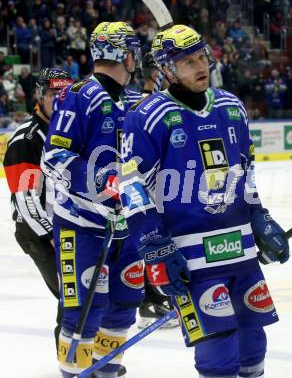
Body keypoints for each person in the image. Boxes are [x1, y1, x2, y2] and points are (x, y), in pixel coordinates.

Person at [120, 24, 289, 378]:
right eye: (188, 62)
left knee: (252, 345)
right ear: (167, 70)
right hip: (189, 256)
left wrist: (261, 219)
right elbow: (130, 187)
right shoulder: (146, 117)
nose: (201, 67)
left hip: (239, 248)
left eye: (202, 57)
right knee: (218, 354)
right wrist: (154, 246)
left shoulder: (231, 107)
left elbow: (245, 174)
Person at [41, 21, 143, 378]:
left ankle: (107, 372)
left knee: (123, 308)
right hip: (82, 225)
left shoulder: (130, 100)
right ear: (126, 55)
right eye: (135, 52)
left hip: (124, 226)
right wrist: (99, 178)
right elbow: (53, 157)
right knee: (84, 312)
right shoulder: (80, 94)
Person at [3, 68, 73, 350]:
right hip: (38, 232)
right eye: (54, 93)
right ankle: (71, 355)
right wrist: (50, 237)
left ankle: (79, 351)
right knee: (72, 294)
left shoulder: (69, 129)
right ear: (40, 96)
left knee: (80, 291)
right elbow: (26, 199)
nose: (60, 99)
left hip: (68, 224)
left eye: (65, 93)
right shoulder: (26, 139)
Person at [137, 50, 178, 329]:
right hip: (145, 184)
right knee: (148, 242)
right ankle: (147, 302)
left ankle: (158, 295)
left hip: (169, 184)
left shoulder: (169, 103)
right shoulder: (142, 104)